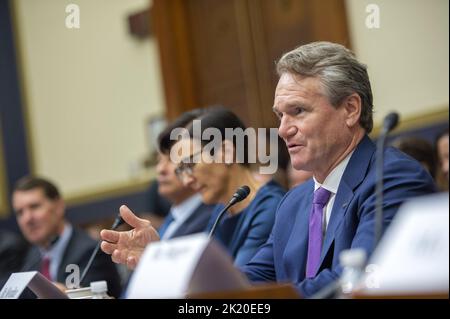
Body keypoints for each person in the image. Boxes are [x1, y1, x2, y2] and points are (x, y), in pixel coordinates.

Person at [99, 42, 435, 297]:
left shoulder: (392, 178)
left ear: (349, 108)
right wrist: (165, 264)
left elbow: (354, 280)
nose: (282, 130)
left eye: (298, 111)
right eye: (279, 115)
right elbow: (243, 285)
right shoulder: (295, 202)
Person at [101, 107, 286, 267]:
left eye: (190, 165)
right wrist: (156, 252)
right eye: (181, 170)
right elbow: (201, 275)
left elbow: (240, 290)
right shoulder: (222, 210)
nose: (187, 180)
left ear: (226, 153)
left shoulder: (270, 207)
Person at [12, 176, 122, 298]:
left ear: (59, 206)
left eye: (34, 206)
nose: (27, 218)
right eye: (20, 212)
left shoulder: (91, 253)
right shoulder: (31, 257)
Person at [155, 110, 217, 240]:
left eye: (172, 159)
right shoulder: (172, 217)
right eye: (159, 160)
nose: (160, 169)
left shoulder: (214, 218)